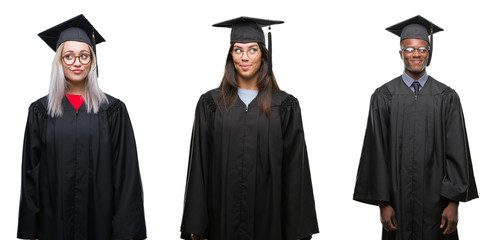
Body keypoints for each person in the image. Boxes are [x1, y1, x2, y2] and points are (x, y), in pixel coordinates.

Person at [180, 16, 319, 240]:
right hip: (221, 219)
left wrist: (295, 229)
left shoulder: (284, 106)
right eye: (238, 50)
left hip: (271, 222)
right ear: (230, 55)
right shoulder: (210, 104)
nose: (245, 57)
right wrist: (197, 224)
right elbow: (199, 166)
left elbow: (296, 172)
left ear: (264, 55)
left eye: (252, 50)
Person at [17, 14, 146, 240]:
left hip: (102, 225)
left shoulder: (113, 111)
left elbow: (126, 175)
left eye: (84, 56)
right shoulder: (40, 111)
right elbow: (30, 173)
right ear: (59, 62)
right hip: (52, 225)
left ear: (92, 61)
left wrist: (125, 231)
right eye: (68, 56)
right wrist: (32, 228)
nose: (77, 63)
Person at [353, 15, 478, 240]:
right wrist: (383, 203)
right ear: (400, 53)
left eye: (422, 49)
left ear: (429, 52)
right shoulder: (384, 96)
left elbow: (457, 152)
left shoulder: (446, 97)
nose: (416, 54)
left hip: (437, 207)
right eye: (409, 49)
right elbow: (377, 152)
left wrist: (453, 203)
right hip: (397, 204)